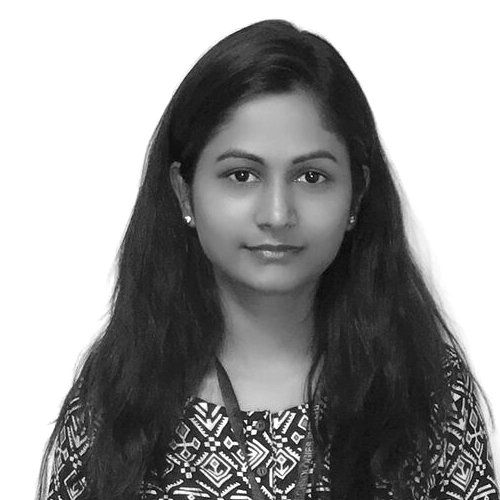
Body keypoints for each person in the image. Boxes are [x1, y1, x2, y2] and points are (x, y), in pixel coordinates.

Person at [37, 19, 498, 500]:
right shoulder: (115, 400)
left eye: (311, 177)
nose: (277, 214)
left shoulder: (427, 391)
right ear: (184, 192)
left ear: (357, 196)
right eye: (242, 175)